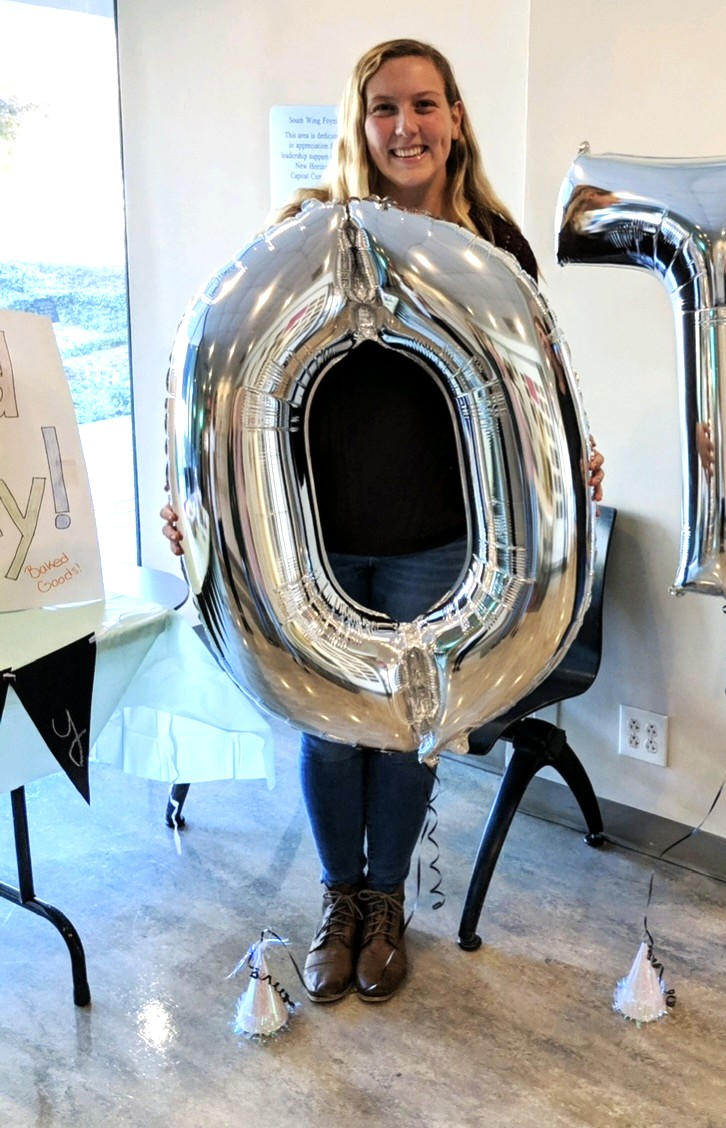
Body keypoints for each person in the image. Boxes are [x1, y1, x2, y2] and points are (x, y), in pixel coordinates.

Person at [161, 38, 603, 1006]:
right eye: (385, 108)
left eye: (426, 105)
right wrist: (192, 493)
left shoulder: (492, 245)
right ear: (360, 123)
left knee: (410, 729)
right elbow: (221, 384)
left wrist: (571, 459)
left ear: (455, 120)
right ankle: (339, 902)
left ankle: (388, 902)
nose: (407, 127)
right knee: (328, 728)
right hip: (316, 540)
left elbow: (538, 387)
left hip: (449, 542)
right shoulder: (304, 234)